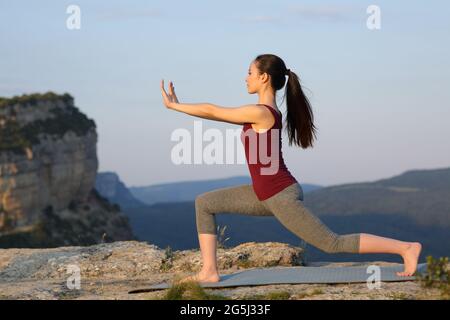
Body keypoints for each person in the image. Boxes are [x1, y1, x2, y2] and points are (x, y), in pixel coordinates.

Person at [160, 53, 422, 283]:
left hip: (279, 194)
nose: (245, 77)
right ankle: (209, 271)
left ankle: (406, 248)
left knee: (331, 243)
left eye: (250, 72)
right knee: (204, 202)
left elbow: (213, 111)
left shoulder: (262, 112)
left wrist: (175, 106)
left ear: (264, 77)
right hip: (262, 193)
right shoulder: (265, 111)